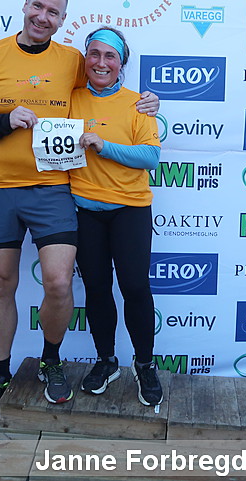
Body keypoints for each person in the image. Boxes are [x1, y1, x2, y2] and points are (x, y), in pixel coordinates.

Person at [0, 0, 158, 423]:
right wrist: (4, 120)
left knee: (61, 283)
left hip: (52, 190)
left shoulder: (72, 61)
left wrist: (149, 101)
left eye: (53, 12)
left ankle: (51, 360)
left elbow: (108, 85)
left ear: (63, 20)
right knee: (0, 284)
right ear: (25, 5)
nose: (43, 17)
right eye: (38, 7)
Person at [71, 26, 163, 406]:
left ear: (121, 63)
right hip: (84, 210)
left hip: (130, 209)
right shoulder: (70, 98)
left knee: (135, 288)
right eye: (94, 54)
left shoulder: (138, 104)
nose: (101, 62)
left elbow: (151, 157)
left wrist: (103, 145)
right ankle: (106, 361)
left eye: (110, 56)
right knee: (96, 289)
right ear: (85, 59)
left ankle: (144, 364)